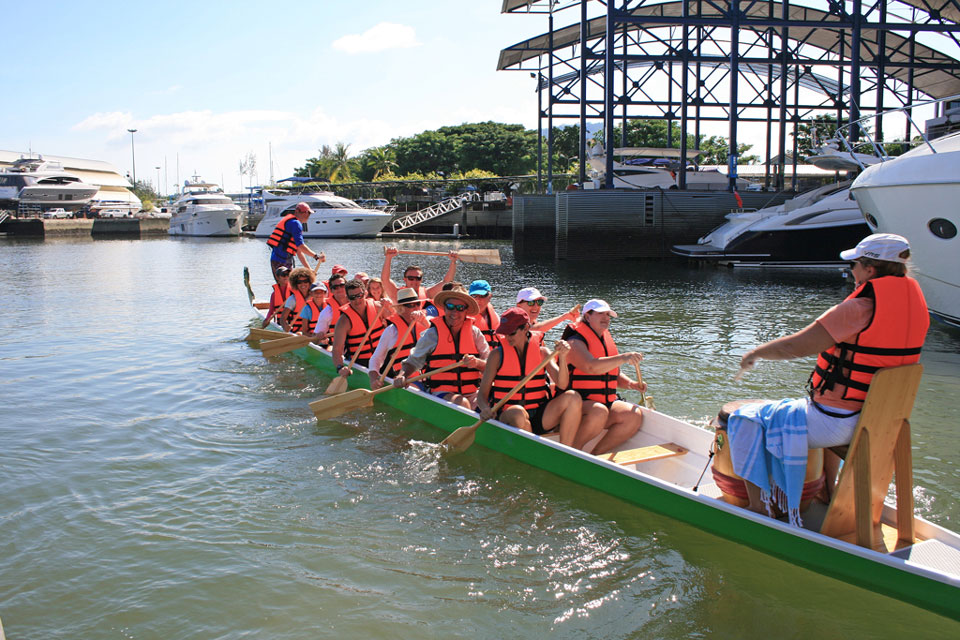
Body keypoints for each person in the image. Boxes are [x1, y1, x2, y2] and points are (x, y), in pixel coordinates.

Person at [727, 233, 930, 523]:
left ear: (870, 269)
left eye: (855, 265)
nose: (852, 270)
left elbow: (795, 346)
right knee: (800, 412)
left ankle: (759, 509)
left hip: (838, 422)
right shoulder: (918, 306)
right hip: (883, 419)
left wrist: (755, 353)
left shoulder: (859, 308)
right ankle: (827, 490)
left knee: (744, 418)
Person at [477, 307, 582, 446]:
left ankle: (566, 451)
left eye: (512, 333)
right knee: (518, 413)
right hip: (509, 415)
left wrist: (562, 357)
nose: (507, 337)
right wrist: (485, 408)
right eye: (505, 333)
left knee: (573, 397)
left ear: (526, 328)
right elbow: (482, 395)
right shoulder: (496, 355)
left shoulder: (542, 352)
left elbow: (562, 384)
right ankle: (531, 449)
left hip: (538, 414)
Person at [561, 299, 645, 455]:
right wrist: (623, 357)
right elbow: (590, 366)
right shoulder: (574, 342)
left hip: (602, 403)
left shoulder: (605, 338)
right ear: (587, 316)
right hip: (576, 405)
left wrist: (631, 384)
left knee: (633, 416)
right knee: (599, 411)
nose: (606, 318)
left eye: (608, 314)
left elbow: (612, 373)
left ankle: (595, 456)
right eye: (600, 314)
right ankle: (574, 452)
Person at [392, 289, 489, 409]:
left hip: (472, 393)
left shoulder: (475, 333)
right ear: (444, 308)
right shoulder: (432, 334)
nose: (454, 312)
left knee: (495, 403)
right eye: (450, 306)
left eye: (460, 308)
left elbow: (489, 366)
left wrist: (477, 363)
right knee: (462, 403)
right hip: (442, 393)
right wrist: (402, 375)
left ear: (466, 311)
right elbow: (412, 362)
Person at [368, 287, 430, 389]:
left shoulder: (426, 322)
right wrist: (373, 379)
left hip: (430, 377)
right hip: (407, 380)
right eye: (411, 305)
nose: (416, 308)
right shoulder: (391, 331)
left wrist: (425, 323)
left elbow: (440, 340)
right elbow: (376, 359)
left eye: (418, 304)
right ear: (401, 308)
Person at [331, 279, 387, 376]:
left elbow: (398, 318)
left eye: (359, 296)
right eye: (352, 297)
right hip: (361, 362)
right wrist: (340, 367)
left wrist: (389, 306)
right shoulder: (344, 321)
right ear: (347, 298)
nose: (357, 300)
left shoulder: (379, 307)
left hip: (384, 357)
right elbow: (336, 349)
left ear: (365, 293)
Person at [266, 202, 325, 281]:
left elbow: (299, 251)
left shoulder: (293, 223)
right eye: (308, 213)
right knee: (287, 287)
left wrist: (308, 269)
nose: (308, 216)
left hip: (279, 260)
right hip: (281, 261)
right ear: (302, 213)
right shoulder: (296, 224)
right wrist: (316, 256)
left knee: (289, 286)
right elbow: (301, 246)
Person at [380, 246, 458, 303]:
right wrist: (388, 258)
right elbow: (385, 279)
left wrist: (453, 262)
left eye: (418, 278)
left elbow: (447, 282)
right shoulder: (396, 294)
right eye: (411, 278)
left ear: (421, 280)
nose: (414, 281)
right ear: (405, 279)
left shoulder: (427, 293)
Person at [311, 273, 349, 346]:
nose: (340, 289)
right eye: (335, 287)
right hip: (340, 349)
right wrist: (318, 337)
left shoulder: (356, 304)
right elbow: (314, 340)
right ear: (331, 290)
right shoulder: (326, 313)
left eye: (342, 285)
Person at [279, 268, 315, 333]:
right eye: (299, 282)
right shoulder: (292, 299)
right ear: (295, 284)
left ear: (310, 282)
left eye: (306, 281)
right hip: (298, 332)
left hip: (313, 331)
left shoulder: (316, 296)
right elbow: (282, 319)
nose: (303, 284)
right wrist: (285, 326)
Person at [469, 280, 500, 347]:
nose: (478, 299)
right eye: (474, 295)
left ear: (490, 296)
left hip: (494, 356)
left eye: (482, 295)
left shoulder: (496, 316)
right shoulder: (463, 318)